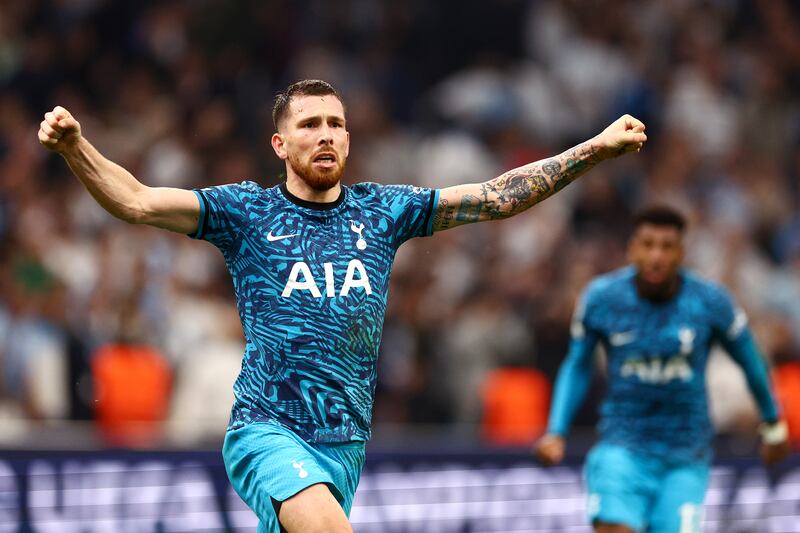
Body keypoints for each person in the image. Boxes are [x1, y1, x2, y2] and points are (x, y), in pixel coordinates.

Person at [39, 79, 647, 533]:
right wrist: (75, 150)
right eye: (308, 125)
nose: (324, 134)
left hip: (346, 442)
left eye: (334, 123)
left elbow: (494, 198)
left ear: (349, 139)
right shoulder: (246, 212)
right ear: (280, 143)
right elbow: (139, 202)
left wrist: (594, 148)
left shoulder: (384, 210)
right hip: (267, 430)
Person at [534, 206, 790, 533]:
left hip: (684, 457)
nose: (656, 256)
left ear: (682, 252)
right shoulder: (603, 298)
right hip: (622, 447)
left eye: (667, 246)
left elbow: (751, 361)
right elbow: (577, 364)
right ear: (631, 249)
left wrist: (773, 426)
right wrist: (557, 430)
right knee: (614, 527)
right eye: (647, 244)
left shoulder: (710, 302)